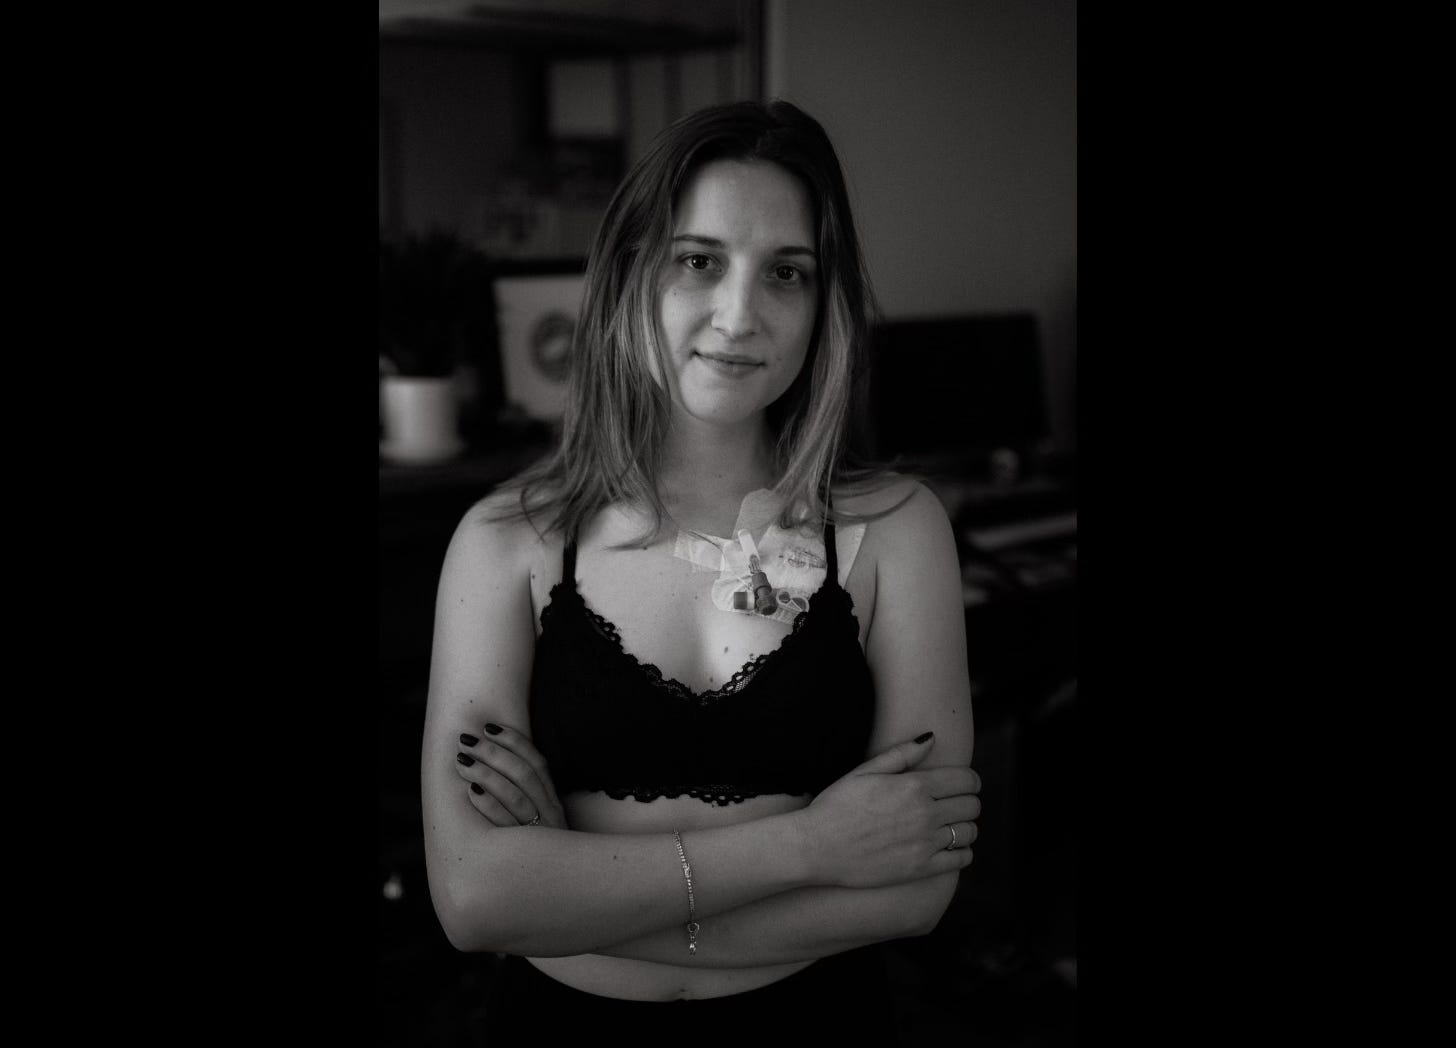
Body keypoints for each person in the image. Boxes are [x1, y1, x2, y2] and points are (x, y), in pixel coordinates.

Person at [421, 99, 980, 1040]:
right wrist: (814, 844)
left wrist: (569, 901)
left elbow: (916, 893)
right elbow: (475, 902)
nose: (739, 315)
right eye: (699, 260)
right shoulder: (505, 541)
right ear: (632, 272)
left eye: (787, 272)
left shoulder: (899, 530)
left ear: (826, 304)